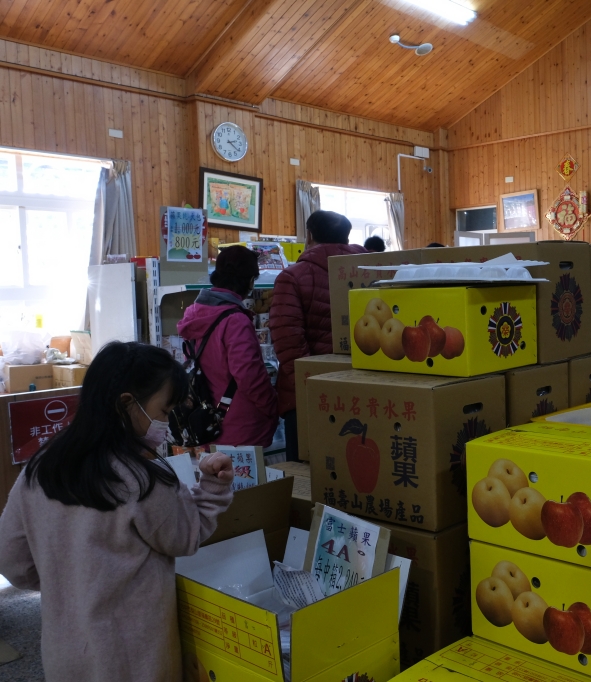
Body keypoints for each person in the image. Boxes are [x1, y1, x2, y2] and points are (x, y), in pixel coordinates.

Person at [0, 342, 234, 680]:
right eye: (165, 411)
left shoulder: (40, 468)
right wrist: (212, 487)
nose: (166, 423)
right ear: (127, 404)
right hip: (134, 657)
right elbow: (185, 537)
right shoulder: (142, 478)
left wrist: (65, 581)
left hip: (65, 654)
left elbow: (11, 558)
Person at [270, 210, 367, 460]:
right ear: (347, 237)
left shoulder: (293, 277)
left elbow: (288, 342)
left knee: (308, 472)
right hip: (363, 387)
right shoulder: (368, 271)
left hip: (309, 396)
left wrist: (310, 386)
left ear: (309, 235)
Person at [178, 246, 278, 447]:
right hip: (241, 427)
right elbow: (249, 376)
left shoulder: (194, 313)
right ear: (250, 281)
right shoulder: (235, 321)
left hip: (207, 422)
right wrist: (273, 405)